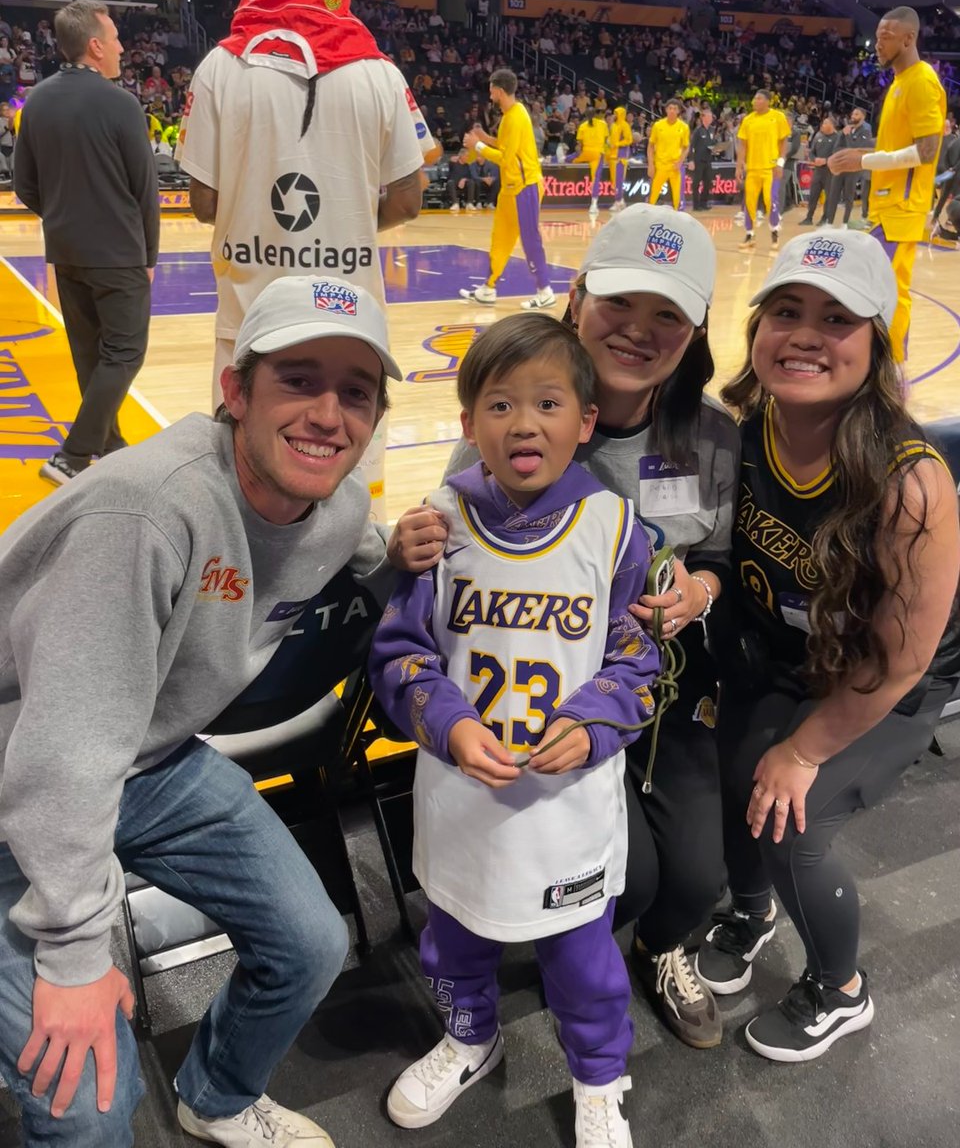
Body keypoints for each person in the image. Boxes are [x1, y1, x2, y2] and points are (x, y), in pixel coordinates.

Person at [0, 273, 407, 1147]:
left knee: (308, 944)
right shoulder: (147, 512)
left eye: (356, 392)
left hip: (142, 760)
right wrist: (74, 959)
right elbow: (61, 754)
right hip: (20, 774)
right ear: (234, 390)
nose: (329, 415)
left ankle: (215, 1094)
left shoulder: (337, 506)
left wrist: (423, 557)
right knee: (87, 1109)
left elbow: (369, 556)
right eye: (298, 379)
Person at [396, 206, 740, 1053]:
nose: (639, 331)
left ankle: (662, 953)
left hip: (665, 692)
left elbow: (730, 559)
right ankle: (557, 948)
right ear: (579, 296)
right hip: (553, 697)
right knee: (632, 878)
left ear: (694, 330)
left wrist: (699, 586)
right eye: (621, 302)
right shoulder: (512, 426)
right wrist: (409, 548)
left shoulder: (714, 438)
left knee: (696, 880)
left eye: (668, 314)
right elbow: (448, 571)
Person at [369, 313, 660, 1147]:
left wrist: (594, 718)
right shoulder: (437, 521)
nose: (523, 424)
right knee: (453, 937)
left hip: (565, 805)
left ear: (585, 422)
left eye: (546, 403)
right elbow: (399, 654)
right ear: (466, 425)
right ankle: (469, 1036)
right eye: (498, 405)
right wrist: (451, 726)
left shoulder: (615, 528)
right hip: (462, 792)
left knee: (583, 964)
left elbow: (638, 662)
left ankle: (599, 1080)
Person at [696, 231, 960, 1062]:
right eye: (786, 310)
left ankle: (841, 989)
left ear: (877, 344)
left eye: (836, 317)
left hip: (886, 685)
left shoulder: (908, 482)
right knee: (737, 770)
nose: (805, 333)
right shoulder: (744, 432)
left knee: (788, 822)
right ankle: (753, 906)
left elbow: (901, 659)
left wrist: (805, 751)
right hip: (787, 657)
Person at [177, 0, 428, 408]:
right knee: (345, 469)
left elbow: (204, 202)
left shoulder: (218, 68)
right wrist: (340, 226)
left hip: (250, 321)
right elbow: (409, 199)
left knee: (239, 468)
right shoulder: (382, 74)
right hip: (349, 322)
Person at [13, 0, 157, 486]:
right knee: (125, 354)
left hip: (65, 250)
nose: (120, 47)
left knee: (91, 357)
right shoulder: (122, 104)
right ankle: (72, 457)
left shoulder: (36, 100)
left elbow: (23, 186)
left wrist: (60, 216)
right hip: (117, 254)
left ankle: (110, 445)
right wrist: (149, 255)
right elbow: (145, 190)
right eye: (114, 38)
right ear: (95, 47)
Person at [827, 7, 945, 363]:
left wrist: (862, 160)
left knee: (889, 292)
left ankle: (890, 372)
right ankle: (885, 367)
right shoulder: (899, 82)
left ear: (909, 38)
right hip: (885, 205)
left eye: (886, 37)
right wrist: (857, 153)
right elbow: (894, 150)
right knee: (883, 289)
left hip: (902, 207)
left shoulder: (922, 81)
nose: (877, 44)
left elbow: (925, 153)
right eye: (877, 36)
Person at [460, 69, 555, 311]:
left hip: (526, 186)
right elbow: (504, 144)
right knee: (500, 238)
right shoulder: (509, 115)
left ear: (499, 90)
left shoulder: (516, 116)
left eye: (491, 89)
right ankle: (488, 288)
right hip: (510, 188)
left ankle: (545, 291)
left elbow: (507, 159)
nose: (489, 94)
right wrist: (485, 138)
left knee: (530, 239)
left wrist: (477, 144)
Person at [736, 88, 790, 252]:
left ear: (767, 101)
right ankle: (750, 235)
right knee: (749, 204)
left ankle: (774, 233)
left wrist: (780, 163)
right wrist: (739, 166)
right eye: (754, 99)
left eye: (759, 99)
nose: (755, 101)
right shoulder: (748, 120)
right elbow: (742, 146)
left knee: (770, 200)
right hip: (752, 168)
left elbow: (783, 143)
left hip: (771, 168)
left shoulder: (778, 117)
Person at [824, 106, 873, 229]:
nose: (853, 116)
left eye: (856, 114)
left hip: (853, 169)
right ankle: (829, 223)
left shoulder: (866, 132)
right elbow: (836, 149)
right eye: (852, 114)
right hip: (840, 167)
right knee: (833, 195)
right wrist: (846, 148)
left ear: (863, 117)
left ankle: (845, 223)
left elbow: (858, 150)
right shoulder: (845, 130)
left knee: (849, 196)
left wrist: (847, 137)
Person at [646, 97, 689, 211]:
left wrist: (680, 162)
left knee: (676, 198)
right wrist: (651, 164)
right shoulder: (658, 125)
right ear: (666, 110)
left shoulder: (684, 127)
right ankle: (648, 219)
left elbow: (686, 147)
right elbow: (650, 146)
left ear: (679, 111)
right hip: (660, 165)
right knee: (653, 197)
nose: (672, 111)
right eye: (670, 108)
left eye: (675, 109)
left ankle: (677, 220)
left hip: (675, 166)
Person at [799, 115, 840, 227]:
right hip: (818, 171)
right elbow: (812, 152)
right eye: (823, 123)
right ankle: (809, 217)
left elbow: (838, 155)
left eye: (826, 123)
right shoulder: (818, 135)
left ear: (832, 125)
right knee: (813, 195)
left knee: (828, 196)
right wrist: (814, 159)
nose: (823, 125)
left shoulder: (838, 138)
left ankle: (825, 218)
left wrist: (826, 160)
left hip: (830, 172)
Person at [571, 105, 608, 217]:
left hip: (586, 153)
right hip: (598, 155)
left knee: (569, 159)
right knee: (595, 179)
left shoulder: (582, 126)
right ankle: (594, 204)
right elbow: (606, 141)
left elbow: (579, 146)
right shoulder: (603, 124)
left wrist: (577, 157)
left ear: (586, 116)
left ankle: (557, 159)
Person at [688, 107, 718, 211]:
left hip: (708, 160)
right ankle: (696, 206)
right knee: (696, 183)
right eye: (709, 116)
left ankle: (704, 203)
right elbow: (691, 146)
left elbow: (712, 144)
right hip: (698, 160)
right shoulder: (698, 131)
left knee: (708, 182)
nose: (711, 119)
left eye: (711, 117)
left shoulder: (711, 130)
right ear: (703, 118)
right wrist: (691, 160)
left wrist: (716, 149)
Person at [605, 104, 633, 213]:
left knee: (619, 180)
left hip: (621, 156)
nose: (614, 115)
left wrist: (617, 144)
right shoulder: (613, 125)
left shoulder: (625, 125)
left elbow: (629, 140)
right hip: (612, 156)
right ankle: (620, 200)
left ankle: (618, 201)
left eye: (616, 113)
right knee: (614, 180)